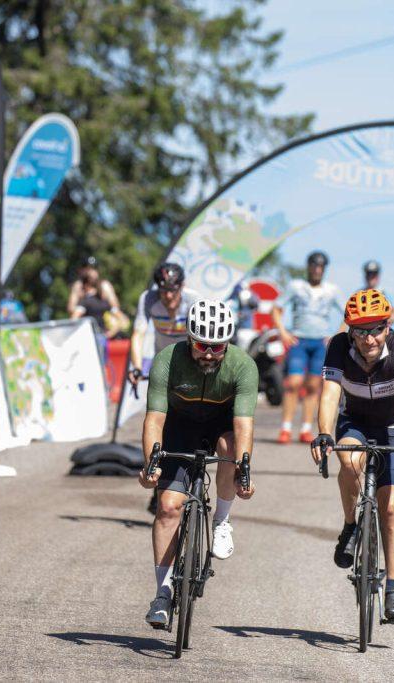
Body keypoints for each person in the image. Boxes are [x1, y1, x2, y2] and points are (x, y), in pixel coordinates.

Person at [310, 289, 394, 623]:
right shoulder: (338, 346)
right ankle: (350, 526)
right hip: (357, 423)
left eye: (376, 328)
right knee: (348, 459)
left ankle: (392, 588)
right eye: (361, 331)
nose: (370, 338)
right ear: (350, 331)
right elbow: (330, 395)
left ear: (387, 328)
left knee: (390, 508)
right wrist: (324, 432)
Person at [138, 299, 257, 628]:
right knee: (167, 507)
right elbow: (154, 420)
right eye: (202, 345)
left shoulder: (243, 365)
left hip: (220, 425)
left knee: (230, 445)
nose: (208, 354)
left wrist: (244, 470)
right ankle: (162, 593)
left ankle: (221, 520)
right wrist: (152, 464)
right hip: (180, 427)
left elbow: (244, 425)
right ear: (190, 338)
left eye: (217, 347)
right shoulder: (168, 360)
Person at [272, 251, 345, 444]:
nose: (317, 269)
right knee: (293, 383)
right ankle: (286, 427)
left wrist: (337, 335)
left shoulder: (331, 290)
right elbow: (277, 309)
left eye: (321, 267)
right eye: (314, 265)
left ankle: (305, 428)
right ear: (308, 266)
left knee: (314, 386)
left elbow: (348, 313)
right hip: (299, 340)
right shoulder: (296, 286)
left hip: (320, 342)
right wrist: (283, 332)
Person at [129, 262, 200, 382]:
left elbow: (200, 338)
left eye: (173, 290)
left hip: (189, 359)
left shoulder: (193, 300)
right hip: (162, 359)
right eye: (163, 290)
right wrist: (137, 368)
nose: (168, 295)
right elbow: (138, 335)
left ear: (182, 286)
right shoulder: (148, 299)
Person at [68, 256, 128, 342]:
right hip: (84, 330)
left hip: (104, 329)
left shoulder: (105, 285)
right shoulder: (78, 287)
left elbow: (115, 308)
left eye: (93, 268)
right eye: (88, 268)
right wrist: (85, 306)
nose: (91, 272)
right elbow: (71, 310)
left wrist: (112, 331)